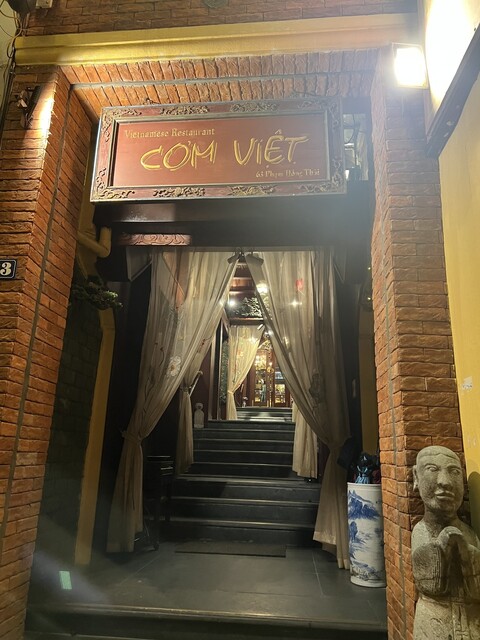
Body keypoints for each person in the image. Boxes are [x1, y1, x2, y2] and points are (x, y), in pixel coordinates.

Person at [412, 446, 480, 639]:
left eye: (454, 472)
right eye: (432, 469)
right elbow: (430, 584)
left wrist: (468, 554)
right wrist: (443, 546)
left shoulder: (469, 533)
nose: (445, 482)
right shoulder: (421, 530)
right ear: (416, 477)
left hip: (471, 621)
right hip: (434, 619)